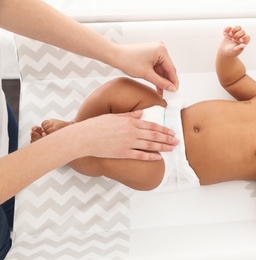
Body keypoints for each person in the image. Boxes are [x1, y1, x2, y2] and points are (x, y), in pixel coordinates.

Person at [31, 25, 256, 240]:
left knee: (102, 161)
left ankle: (68, 149)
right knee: (118, 87)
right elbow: (231, 79)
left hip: (169, 166)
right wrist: (227, 54)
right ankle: (77, 127)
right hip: (165, 114)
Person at [0, 0, 180, 257]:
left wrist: (118, 53)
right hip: (169, 142)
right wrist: (78, 139)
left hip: (172, 159)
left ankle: (71, 132)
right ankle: (72, 138)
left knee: (16, 193)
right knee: (116, 99)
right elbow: (235, 79)